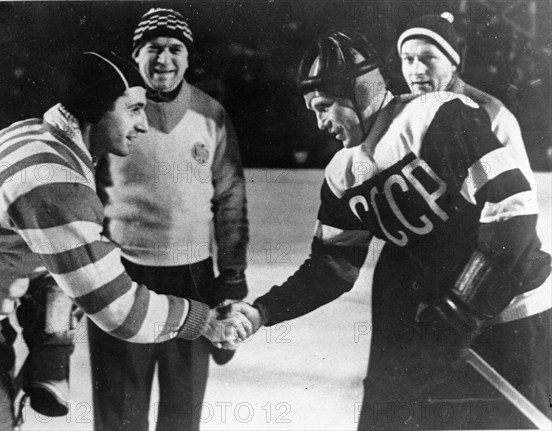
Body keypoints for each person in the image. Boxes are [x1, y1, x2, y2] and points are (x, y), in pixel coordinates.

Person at [227, 30, 551, 430]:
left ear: (359, 92)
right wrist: (263, 311)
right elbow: (331, 268)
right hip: (441, 324)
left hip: (508, 313)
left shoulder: (437, 114)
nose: (320, 123)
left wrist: (460, 309)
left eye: (324, 106)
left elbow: (512, 210)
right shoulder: (342, 174)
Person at [0, 51, 250, 431]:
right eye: (134, 110)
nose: (143, 125)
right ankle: (51, 351)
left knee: (71, 266)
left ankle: (50, 354)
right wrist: (203, 320)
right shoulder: (55, 184)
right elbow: (120, 313)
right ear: (97, 109)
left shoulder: (32, 131)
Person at [87, 8, 249, 431]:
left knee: (182, 413)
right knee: (119, 413)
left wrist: (231, 275)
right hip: (122, 276)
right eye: (153, 48)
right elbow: (87, 196)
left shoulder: (210, 114)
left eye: (175, 49)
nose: (164, 60)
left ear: (187, 56)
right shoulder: (113, 113)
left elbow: (230, 197)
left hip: (193, 277)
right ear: (136, 54)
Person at [397, 12, 535, 188]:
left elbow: (521, 199)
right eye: (408, 59)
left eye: (428, 58)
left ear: (452, 62)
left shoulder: (491, 114)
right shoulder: (399, 112)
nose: (416, 70)